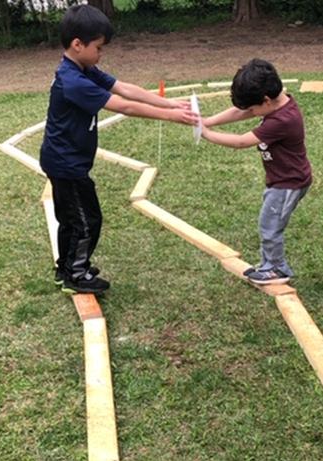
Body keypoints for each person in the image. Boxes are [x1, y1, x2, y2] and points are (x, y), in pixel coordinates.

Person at [40, 5, 197, 294]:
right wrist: (170, 116)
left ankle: (67, 266)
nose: (101, 54)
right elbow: (123, 105)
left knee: (72, 218)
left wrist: (169, 103)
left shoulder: (83, 69)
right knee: (87, 220)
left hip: (64, 160)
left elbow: (124, 88)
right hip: (66, 164)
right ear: (78, 44)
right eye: (99, 48)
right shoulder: (74, 82)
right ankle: (76, 274)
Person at [201, 59, 312, 285]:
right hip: (280, 180)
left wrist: (206, 134)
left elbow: (242, 142)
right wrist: (208, 121)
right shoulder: (276, 103)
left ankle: (278, 269)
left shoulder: (282, 119)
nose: (250, 112)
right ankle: (269, 264)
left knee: (269, 226)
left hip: (289, 183)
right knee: (269, 221)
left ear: (265, 100)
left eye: (253, 107)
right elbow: (242, 112)